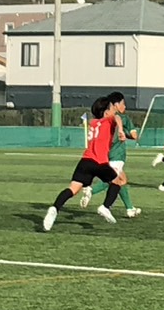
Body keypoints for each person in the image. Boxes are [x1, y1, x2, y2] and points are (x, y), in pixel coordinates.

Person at [43, 96, 125, 230]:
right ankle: (105, 207)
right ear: (106, 112)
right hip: (100, 162)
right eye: (112, 108)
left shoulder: (93, 122)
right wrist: (120, 130)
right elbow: (117, 118)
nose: (114, 111)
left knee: (73, 189)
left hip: (85, 161)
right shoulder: (108, 121)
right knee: (118, 181)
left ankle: (54, 208)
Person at [80, 91, 141, 217]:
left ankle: (130, 208)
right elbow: (135, 135)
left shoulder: (103, 118)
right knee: (113, 179)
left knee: (122, 179)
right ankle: (93, 192)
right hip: (117, 155)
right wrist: (124, 133)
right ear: (116, 104)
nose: (125, 106)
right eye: (123, 103)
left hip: (104, 153)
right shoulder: (123, 118)